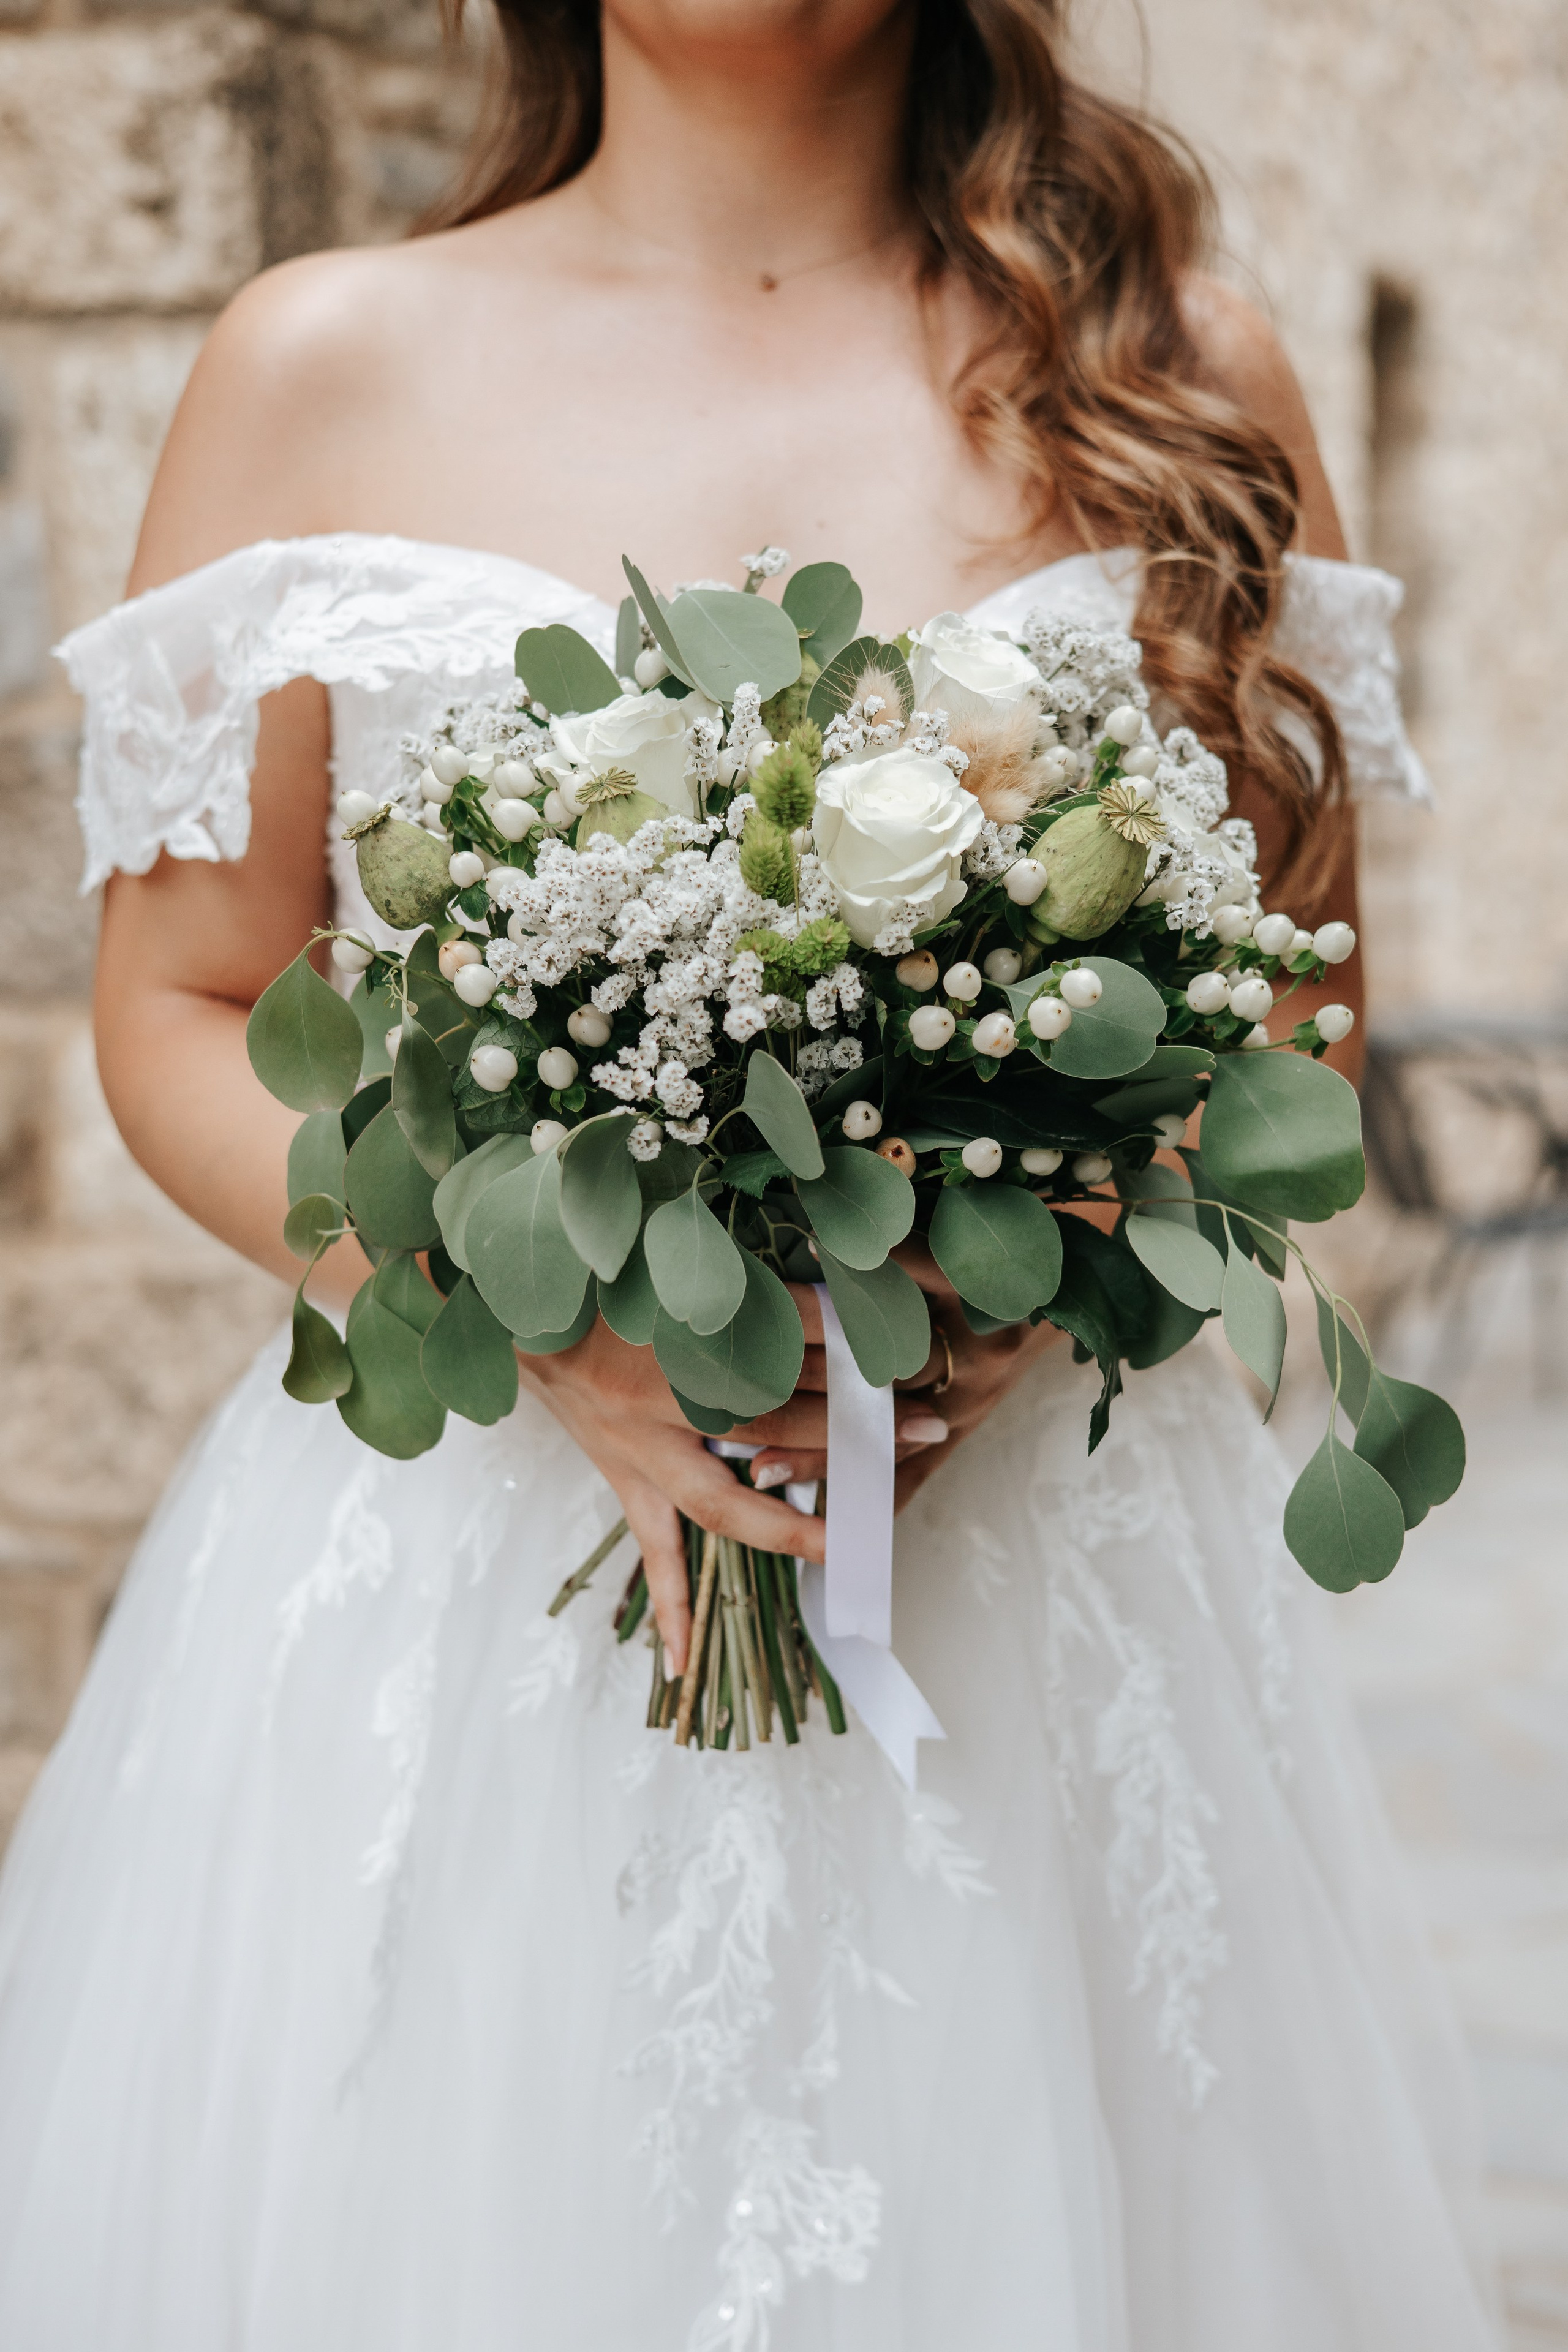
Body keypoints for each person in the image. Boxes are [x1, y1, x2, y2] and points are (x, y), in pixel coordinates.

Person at [0, 1, 1499, 2344]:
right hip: (486, 1554)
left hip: (1051, 1576)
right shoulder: (322, 360)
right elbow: (181, 1006)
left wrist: (1041, 1256)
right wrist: (546, 1320)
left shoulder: (1178, 365)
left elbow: (1296, 1012)